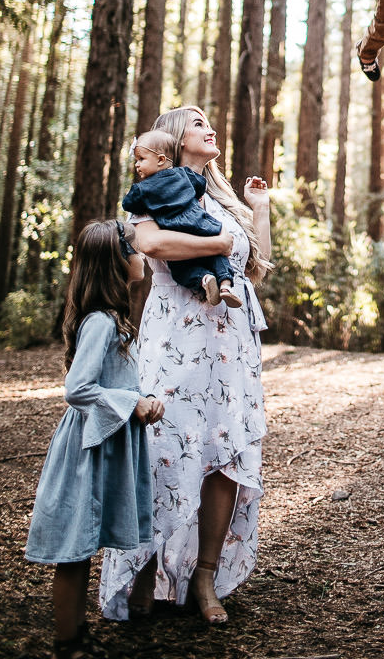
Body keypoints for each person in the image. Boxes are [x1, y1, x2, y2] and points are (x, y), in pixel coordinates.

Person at [100, 106, 271, 626]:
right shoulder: (158, 185)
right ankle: (147, 568)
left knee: (225, 453)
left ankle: (204, 575)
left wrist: (258, 208)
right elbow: (149, 243)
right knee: (163, 448)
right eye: (197, 122)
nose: (209, 126)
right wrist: (217, 242)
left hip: (232, 346)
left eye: (208, 121)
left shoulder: (222, 198)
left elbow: (255, 268)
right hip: (176, 336)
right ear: (175, 139)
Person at [25, 220, 165, 659]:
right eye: (136, 250)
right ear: (117, 263)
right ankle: (67, 642)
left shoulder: (114, 320)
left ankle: (79, 634)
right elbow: (78, 388)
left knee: (85, 543)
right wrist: (131, 403)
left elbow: (111, 381)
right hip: (87, 448)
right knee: (74, 547)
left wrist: (143, 400)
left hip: (105, 443)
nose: (142, 256)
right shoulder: (101, 323)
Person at [123, 128, 241, 308]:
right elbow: (200, 184)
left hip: (175, 227)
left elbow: (128, 203)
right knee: (218, 256)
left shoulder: (143, 188)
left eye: (141, 159)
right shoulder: (184, 174)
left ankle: (204, 278)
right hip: (202, 223)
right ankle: (225, 284)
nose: (137, 165)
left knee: (180, 269)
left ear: (161, 159)